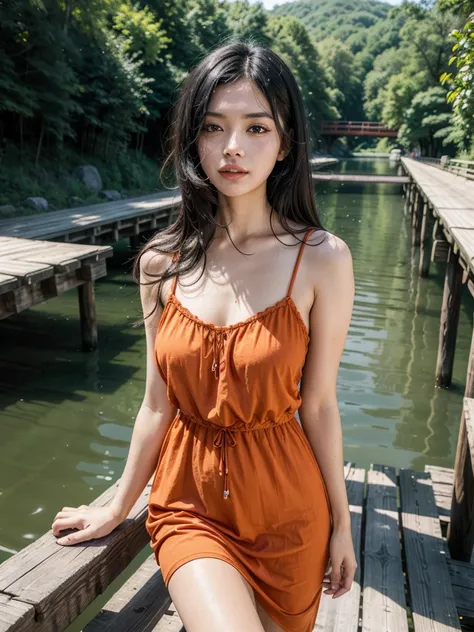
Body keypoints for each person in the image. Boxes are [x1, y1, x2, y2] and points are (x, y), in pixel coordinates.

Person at [52, 41, 356, 632]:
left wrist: (342, 525)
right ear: (194, 138)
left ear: (286, 142)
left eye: (256, 127)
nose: (233, 147)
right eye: (214, 126)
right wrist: (117, 503)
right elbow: (155, 404)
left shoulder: (322, 260)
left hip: (289, 511)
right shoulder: (159, 265)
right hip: (189, 504)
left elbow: (318, 405)